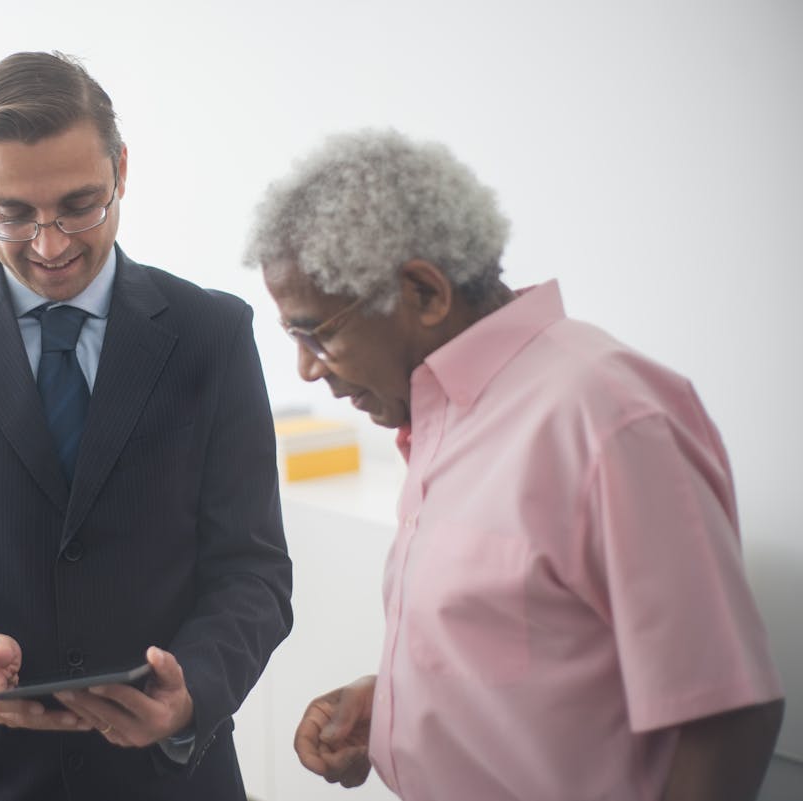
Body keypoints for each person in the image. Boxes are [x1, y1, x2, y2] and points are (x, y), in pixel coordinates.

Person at [243, 129, 784, 801]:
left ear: (424, 292)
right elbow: (539, 649)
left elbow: (727, 710)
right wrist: (395, 707)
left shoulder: (609, 419)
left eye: (316, 331)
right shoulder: (441, 416)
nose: (306, 367)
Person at [0, 51, 292, 801]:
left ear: (123, 170)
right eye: (12, 213)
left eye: (81, 205)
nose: (50, 245)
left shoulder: (214, 332)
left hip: (172, 777)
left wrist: (192, 690)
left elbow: (254, 572)